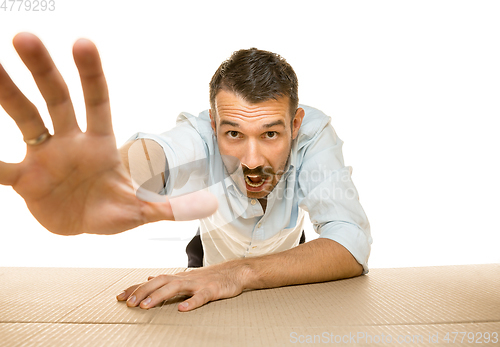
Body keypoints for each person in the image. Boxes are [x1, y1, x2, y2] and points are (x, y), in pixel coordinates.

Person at [0, 33, 372, 312]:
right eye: (234, 134)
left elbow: (351, 243)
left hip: (284, 260)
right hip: (207, 260)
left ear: (296, 124)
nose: (252, 160)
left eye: (271, 134)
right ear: (213, 124)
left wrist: (238, 273)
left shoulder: (315, 137)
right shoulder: (200, 134)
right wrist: (116, 178)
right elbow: (157, 155)